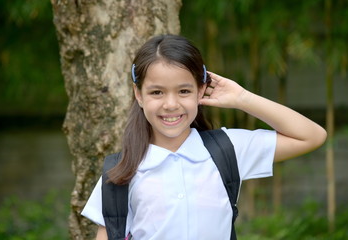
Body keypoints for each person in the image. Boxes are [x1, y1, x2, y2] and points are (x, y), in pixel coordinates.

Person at [82, 34, 327, 240]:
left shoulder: (228, 149)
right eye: (156, 92)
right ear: (138, 94)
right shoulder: (120, 172)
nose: (171, 104)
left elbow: (311, 136)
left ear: (200, 90)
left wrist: (242, 98)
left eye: (184, 91)